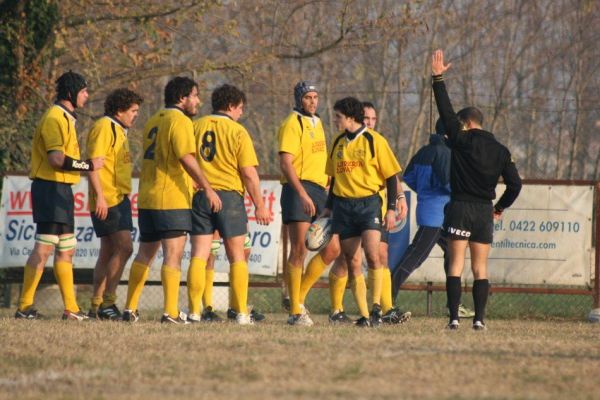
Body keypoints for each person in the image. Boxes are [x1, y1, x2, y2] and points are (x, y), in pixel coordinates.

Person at [431, 49, 522, 330]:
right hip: (483, 210)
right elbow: (516, 184)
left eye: (460, 124)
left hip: (459, 207)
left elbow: (445, 111)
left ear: (467, 123)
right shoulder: (501, 150)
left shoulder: (462, 140)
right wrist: (499, 208)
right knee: (480, 268)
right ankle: (480, 320)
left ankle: (455, 319)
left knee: (455, 265)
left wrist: (438, 79)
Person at [122, 77, 221, 324]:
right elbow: (186, 157)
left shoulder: (153, 120)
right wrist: (207, 187)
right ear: (182, 98)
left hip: (147, 197)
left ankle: (130, 308)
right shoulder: (180, 121)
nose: (198, 100)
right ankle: (171, 312)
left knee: (144, 254)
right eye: (195, 95)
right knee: (173, 255)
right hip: (172, 198)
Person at [15, 71, 103, 320]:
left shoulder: (66, 118)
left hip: (62, 190)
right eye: (84, 91)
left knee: (67, 249)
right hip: (50, 188)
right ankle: (24, 307)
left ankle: (71, 309)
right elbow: (56, 159)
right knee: (44, 249)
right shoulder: (55, 117)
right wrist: (88, 165)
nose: (87, 96)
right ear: (70, 93)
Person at [188, 84, 270, 325]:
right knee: (237, 256)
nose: (241, 113)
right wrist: (259, 205)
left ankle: (194, 312)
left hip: (201, 196)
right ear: (232, 106)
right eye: (240, 108)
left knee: (199, 256)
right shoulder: (237, 131)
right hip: (229, 197)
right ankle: (241, 312)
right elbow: (249, 173)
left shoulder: (195, 126)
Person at [328, 101, 409, 325]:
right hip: (344, 206)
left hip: (369, 204)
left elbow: (391, 176)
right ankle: (364, 315)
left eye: (338, 116)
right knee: (352, 260)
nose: (335, 120)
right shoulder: (337, 142)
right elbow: (334, 178)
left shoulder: (375, 141)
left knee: (374, 255)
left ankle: (376, 308)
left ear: (350, 118)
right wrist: (328, 207)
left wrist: (391, 208)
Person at [391, 118, 475, 319]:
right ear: (448, 134)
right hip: (437, 216)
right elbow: (448, 184)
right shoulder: (445, 153)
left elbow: (408, 177)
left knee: (453, 255)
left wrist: (425, 191)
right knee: (414, 258)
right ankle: (386, 299)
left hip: (429, 211)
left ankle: (453, 304)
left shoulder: (423, 151)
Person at [278, 81, 340, 326]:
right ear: (298, 100)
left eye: (315, 96)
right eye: (308, 97)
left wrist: (327, 181)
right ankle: (295, 312)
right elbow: (286, 163)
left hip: (319, 190)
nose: (313, 101)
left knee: (333, 247)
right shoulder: (292, 123)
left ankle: (297, 297)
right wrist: (302, 194)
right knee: (299, 250)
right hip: (298, 190)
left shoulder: (318, 122)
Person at [86, 88, 143, 320]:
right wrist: (100, 196)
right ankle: (108, 303)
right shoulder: (104, 127)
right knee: (125, 248)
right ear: (119, 111)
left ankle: (96, 305)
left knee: (108, 251)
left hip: (118, 197)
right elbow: (93, 164)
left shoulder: (119, 130)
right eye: (133, 111)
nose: (136, 115)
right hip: (108, 199)